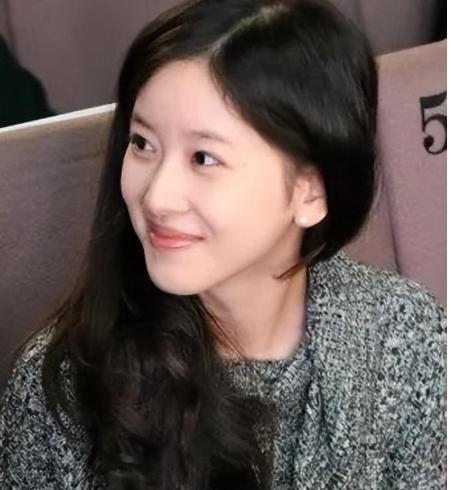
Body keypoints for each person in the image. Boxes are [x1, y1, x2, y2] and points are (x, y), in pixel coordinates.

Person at [0, 0, 446, 488]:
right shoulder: (63, 386)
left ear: (312, 191)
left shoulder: (405, 338)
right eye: (143, 143)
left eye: (204, 158)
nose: (157, 197)